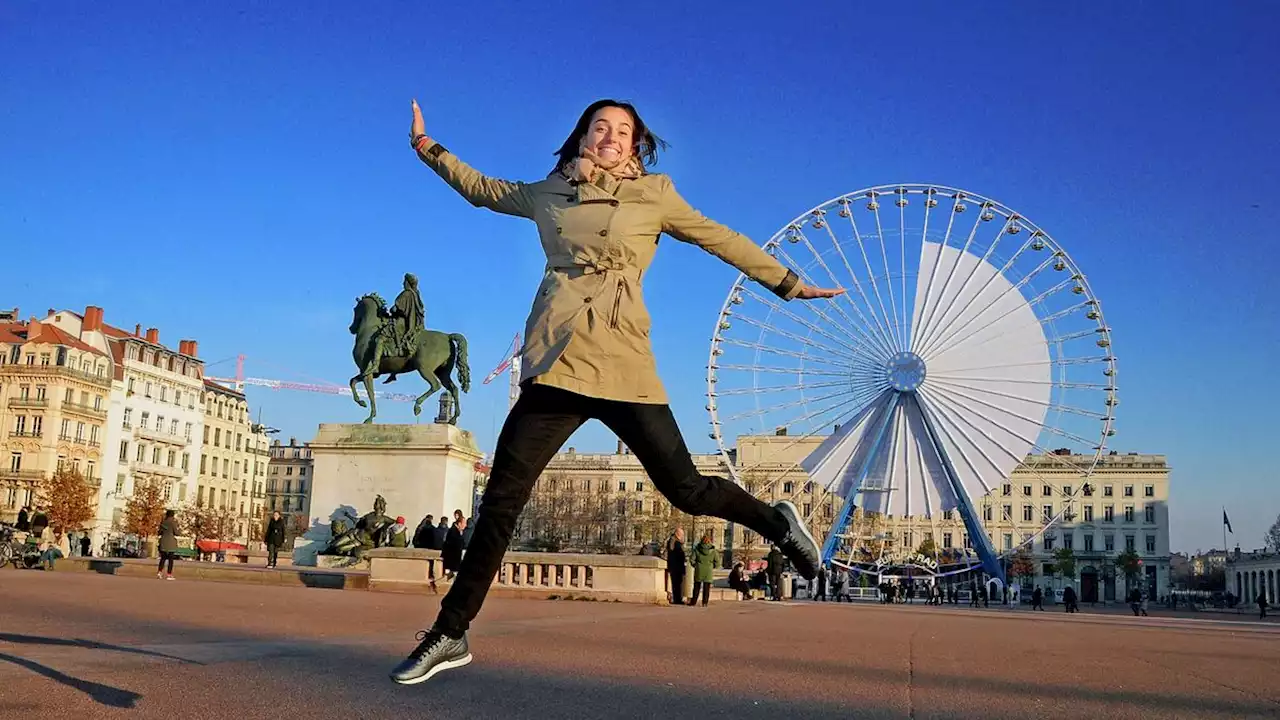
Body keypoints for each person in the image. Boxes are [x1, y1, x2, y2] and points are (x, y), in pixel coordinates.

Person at [389, 97, 836, 685]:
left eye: (623, 131)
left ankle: (777, 524)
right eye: (601, 126)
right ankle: (450, 633)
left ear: (635, 145)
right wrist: (428, 147)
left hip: (624, 357)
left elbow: (718, 237)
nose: (611, 136)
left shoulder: (655, 196)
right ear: (581, 136)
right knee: (499, 502)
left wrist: (787, 281)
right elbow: (481, 188)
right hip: (557, 357)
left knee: (687, 489)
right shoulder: (546, 193)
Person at [689, 532, 717, 607]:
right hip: (708, 570)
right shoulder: (713, 550)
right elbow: (717, 561)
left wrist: (695, 565)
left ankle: (693, 602)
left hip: (699, 569)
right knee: (706, 588)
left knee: (696, 587)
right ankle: (705, 603)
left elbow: (692, 559)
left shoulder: (697, 549)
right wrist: (712, 566)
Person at [441, 509, 467, 579]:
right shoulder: (454, 532)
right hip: (452, 563)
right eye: (464, 523)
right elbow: (456, 547)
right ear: (459, 524)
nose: (465, 525)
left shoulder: (459, 532)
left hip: (454, 562)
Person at [665, 528, 687, 605]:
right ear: (678, 534)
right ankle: (677, 600)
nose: (683, 536)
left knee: (678, 583)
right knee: (677, 583)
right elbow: (673, 553)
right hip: (676, 566)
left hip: (676, 565)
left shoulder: (675, 541)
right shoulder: (674, 542)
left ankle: (678, 599)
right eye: (682, 534)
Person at [157, 509, 179, 580]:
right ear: (173, 515)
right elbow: (176, 533)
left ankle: (159, 572)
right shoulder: (173, 522)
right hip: (170, 543)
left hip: (163, 542)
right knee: (170, 559)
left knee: (163, 558)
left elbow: (159, 532)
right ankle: (169, 574)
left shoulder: (163, 522)